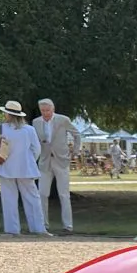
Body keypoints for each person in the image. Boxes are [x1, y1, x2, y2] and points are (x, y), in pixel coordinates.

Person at [0, 100, 48, 237]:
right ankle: (38, 228)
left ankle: (12, 230)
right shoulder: (29, 130)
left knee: (9, 200)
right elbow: (36, 149)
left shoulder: (0, 128)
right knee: (32, 199)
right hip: (26, 168)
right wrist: (29, 160)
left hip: (6, 166)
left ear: (7, 114)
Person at [32, 99, 82, 233]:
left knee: (64, 194)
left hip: (61, 160)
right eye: (43, 111)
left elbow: (77, 135)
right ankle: (43, 225)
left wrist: (75, 152)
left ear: (52, 109)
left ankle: (68, 226)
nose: (45, 113)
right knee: (42, 193)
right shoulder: (36, 122)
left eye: (47, 110)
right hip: (44, 161)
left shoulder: (63, 120)